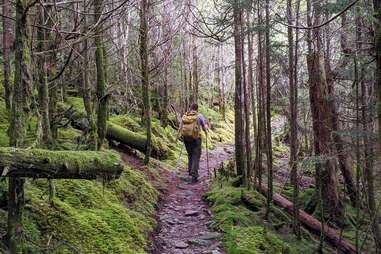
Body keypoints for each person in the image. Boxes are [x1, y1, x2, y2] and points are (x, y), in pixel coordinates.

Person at [178, 103, 208, 183]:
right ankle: (194, 176)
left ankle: (190, 172)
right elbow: (204, 127)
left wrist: (179, 135)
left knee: (190, 154)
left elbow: (180, 126)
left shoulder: (185, 116)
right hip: (196, 138)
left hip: (186, 138)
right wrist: (206, 132)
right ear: (197, 109)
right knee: (196, 155)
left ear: (190, 108)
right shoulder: (199, 116)